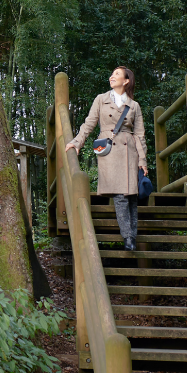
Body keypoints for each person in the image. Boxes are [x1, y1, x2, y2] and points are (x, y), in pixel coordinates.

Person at [65, 66, 149, 250]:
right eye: (112, 73)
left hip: (130, 152)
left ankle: (131, 238)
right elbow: (89, 123)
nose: (112, 76)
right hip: (109, 150)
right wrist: (77, 143)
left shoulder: (134, 106)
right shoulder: (101, 99)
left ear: (126, 81)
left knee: (132, 197)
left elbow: (140, 135)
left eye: (117, 74)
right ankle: (127, 237)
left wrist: (142, 161)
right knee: (120, 195)